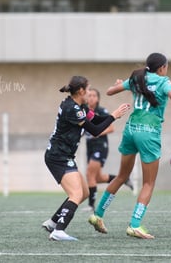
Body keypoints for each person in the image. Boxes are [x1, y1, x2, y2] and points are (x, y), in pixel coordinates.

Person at [88, 52, 171, 239]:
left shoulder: (136, 77)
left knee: (122, 175)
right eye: (166, 67)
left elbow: (109, 91)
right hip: (148, 133)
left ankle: (97, 214)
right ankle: (134, 225)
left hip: (130, 130)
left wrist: (118, 84)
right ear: (162, 67)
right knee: (149, 183)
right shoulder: (164, 81)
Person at [41, 76, 130, 241]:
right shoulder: (72, 109)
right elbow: (95, 130)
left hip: (63, 155)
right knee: (76, 193)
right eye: (88, 90)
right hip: (57, 156)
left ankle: (53, 223)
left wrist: (114, 115)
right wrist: (113, 116)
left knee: (84, 193)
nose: (89, 93)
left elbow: (95, 119)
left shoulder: (78, 106)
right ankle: (59, 231)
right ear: (81, 91)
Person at [83, 87, 133, 212]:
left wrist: (97, 133)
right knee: (98, 178)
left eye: (94, 96)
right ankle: (123, 179)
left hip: (100, 146)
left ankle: (91, 205)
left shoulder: (101, 111)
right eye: (89, 95)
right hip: (90, 147)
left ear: (98, 99)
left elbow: (111, 128)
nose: (91, 98)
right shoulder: (84, 111)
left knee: (90, 174)